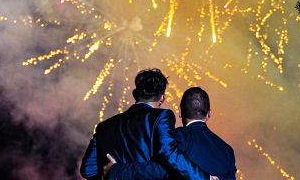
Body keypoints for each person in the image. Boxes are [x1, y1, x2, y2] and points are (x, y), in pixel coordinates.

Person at [80, 69, 218, 180]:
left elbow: (87, 170)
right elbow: (169, 155)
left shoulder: (104, 126)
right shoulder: (162, 117)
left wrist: (111, 173)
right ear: (162, 98)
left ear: (135, 94)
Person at [105, 87, 236, 180]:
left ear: (180, 112)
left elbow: (156, 170)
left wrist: (117, 170)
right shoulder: (227, 150)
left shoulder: (176, 138)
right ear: (209, 114)